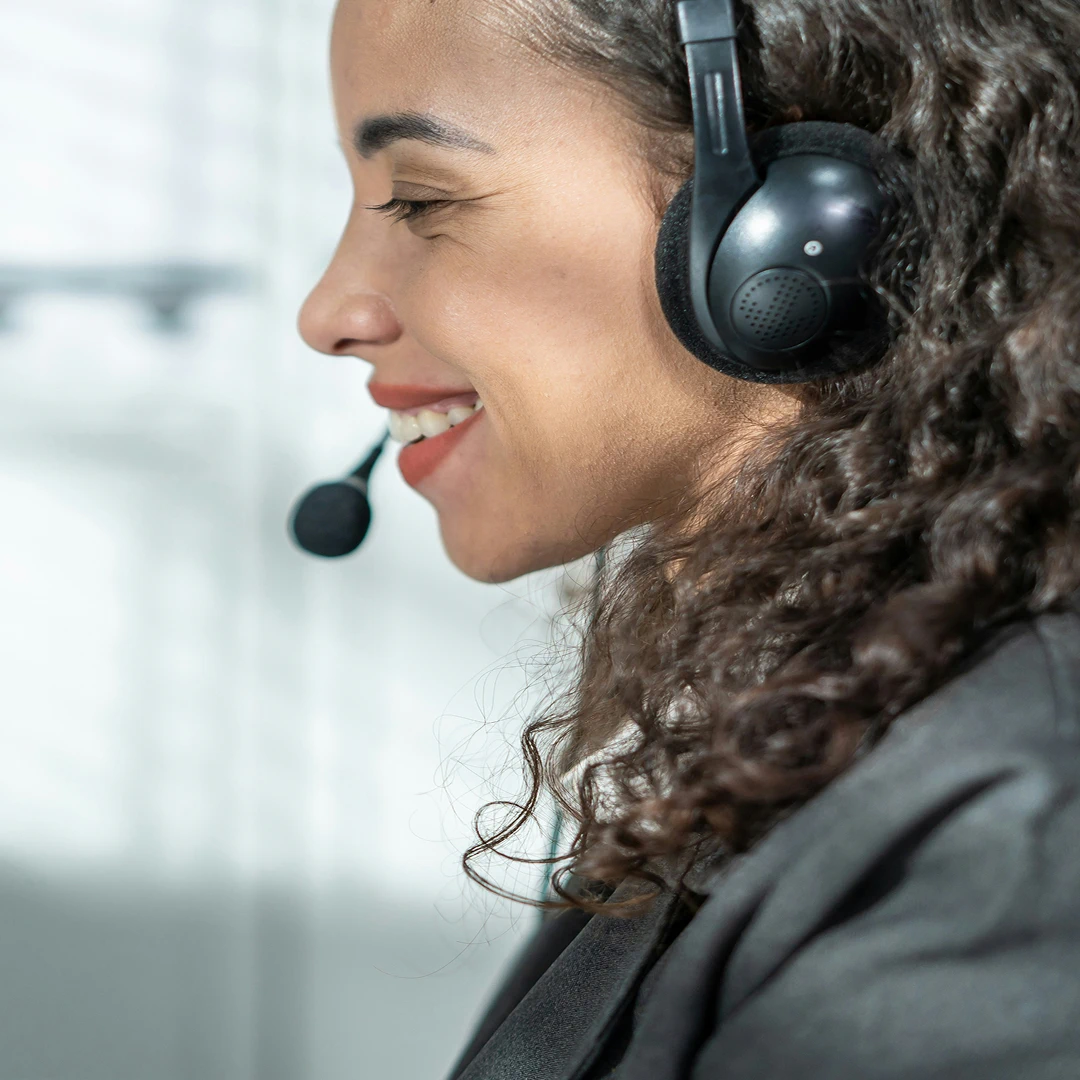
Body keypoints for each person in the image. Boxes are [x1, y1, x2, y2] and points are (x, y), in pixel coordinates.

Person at [298, 0, 1080, 1076]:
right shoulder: (793, 720)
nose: (328, 309)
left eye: (423, 200)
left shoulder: (1001, 843)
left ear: (791, 213)